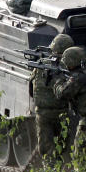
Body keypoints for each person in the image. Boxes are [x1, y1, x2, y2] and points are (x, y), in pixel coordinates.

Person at [30, 33, 74, 163]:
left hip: (43, 113)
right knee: (62, 147)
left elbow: (32, 88)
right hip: (61, 112)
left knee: (46, 148)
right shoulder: (67, 66)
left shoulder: (41, 65)